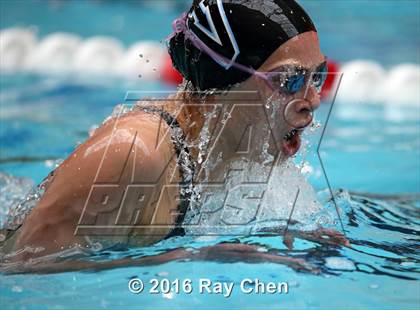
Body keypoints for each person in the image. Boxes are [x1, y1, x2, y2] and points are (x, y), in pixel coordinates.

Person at [1, 0, 340, 268]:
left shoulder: (233, 145)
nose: (311, 99)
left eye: (317, 75)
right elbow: (20, 267)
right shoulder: (134, 154)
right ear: (221, 82)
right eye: (289, 80)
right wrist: (190, 257)